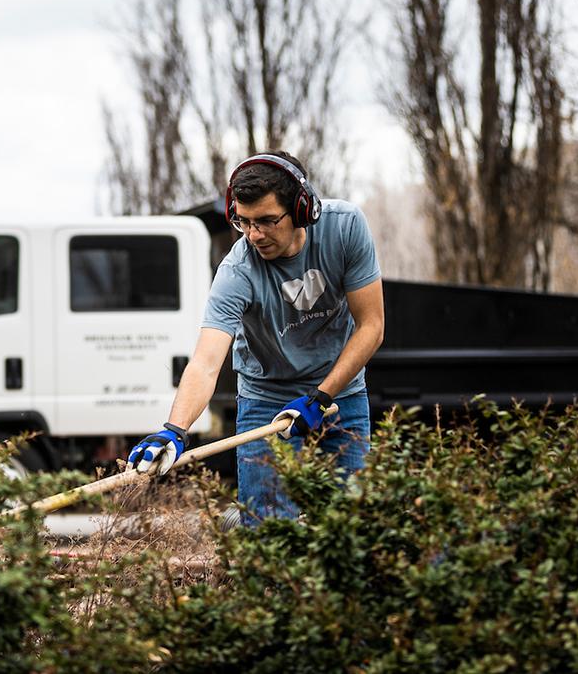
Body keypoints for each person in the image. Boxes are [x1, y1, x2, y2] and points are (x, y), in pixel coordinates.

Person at [126, 151, 384, 523]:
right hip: (266, 397)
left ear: (301, 209)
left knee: (353, 523)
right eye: (243, 222)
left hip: (339, 392)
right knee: (266, 527)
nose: (254, 235)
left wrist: (320, 396)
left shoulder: (344, 228)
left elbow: (372, 327)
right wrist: (174, 430)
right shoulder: (237, 270)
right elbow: (205, 362)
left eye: (266, 221)